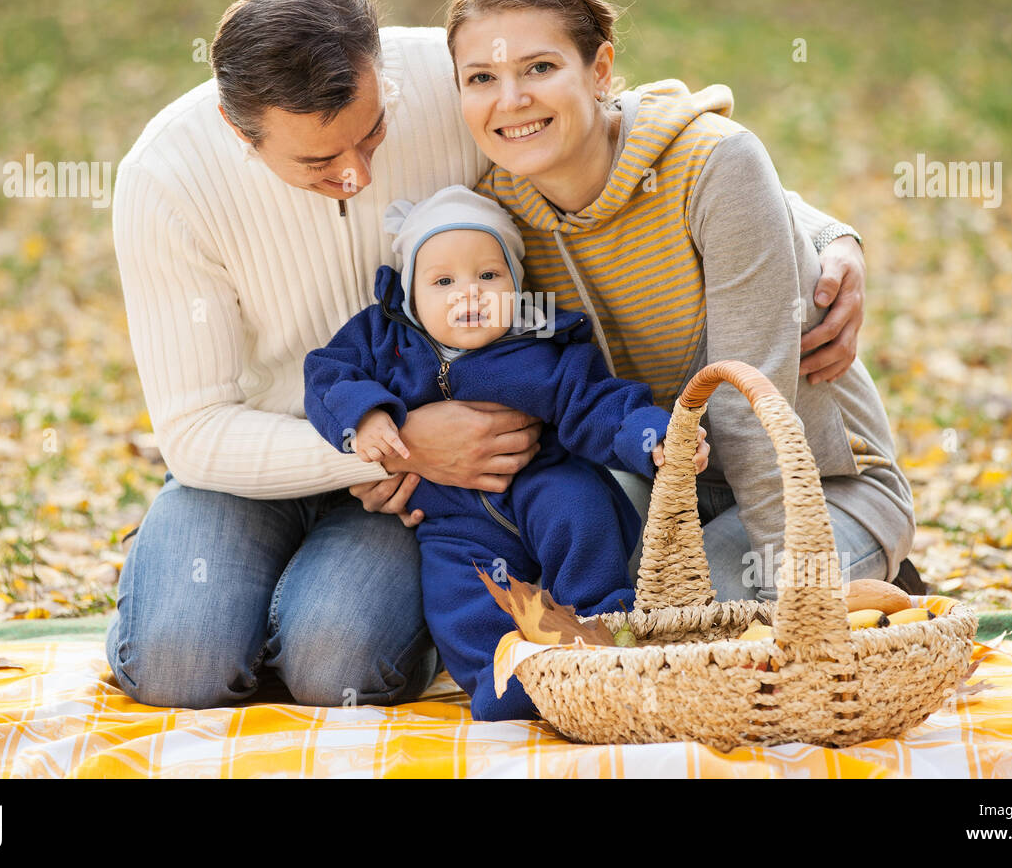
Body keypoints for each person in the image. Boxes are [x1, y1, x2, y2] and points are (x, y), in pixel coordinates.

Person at [106, 0, 874, 710]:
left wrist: (826, 237)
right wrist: (397, 440)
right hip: (258, 457)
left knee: (332, 658)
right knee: (182, 661)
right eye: (319, 161)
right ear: (236, 130)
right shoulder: (166, 180)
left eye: (372, 136)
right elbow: (194, 428)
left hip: (426, 492)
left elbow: (635, 128)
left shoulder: (454, 82)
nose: (358, 176)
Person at [441, 0, 922, 603]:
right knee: (586, 606)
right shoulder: (494, 217)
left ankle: (849, 575)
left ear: (599, 68)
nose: (511, 98)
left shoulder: (710, 167)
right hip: (665, 482)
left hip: (820, 484)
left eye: (540, 67)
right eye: (480, 78)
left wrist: (796, 594)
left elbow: (749, 410)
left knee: (690, 621)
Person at [303, 185, 708, 719]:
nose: (467, 294)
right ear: (409, 294)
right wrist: (367, 416)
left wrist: (654, 438)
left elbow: (599, 403)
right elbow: (327, 372)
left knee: (582, 517)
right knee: (459, 597)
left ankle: (606, 640)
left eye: (488, 276)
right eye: (443, 281)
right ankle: (505, 682)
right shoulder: (385, 340)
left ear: (517, 287)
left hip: (544, 479)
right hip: (452, 514)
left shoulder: (540, 345)